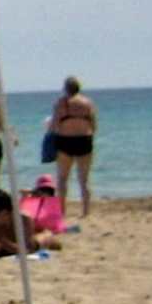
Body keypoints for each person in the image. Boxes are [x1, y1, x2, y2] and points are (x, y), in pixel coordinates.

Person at [51, 77, 97, 218]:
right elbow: (94, 125)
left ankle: (62, 211)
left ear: (66, 89)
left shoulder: (61, 103)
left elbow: (54, 125)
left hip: (65, 140)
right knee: (84, 179)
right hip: (84, 140)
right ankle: (86, 211)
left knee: (62, 178)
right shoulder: (87, 103)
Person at [0, 188, 61, 257]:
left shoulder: (23, 219)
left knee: (40, 241)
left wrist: (0, 239)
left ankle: (47, 235)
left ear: (3, 213)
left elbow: (26, 250)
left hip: (31, 240)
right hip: (15, 243)